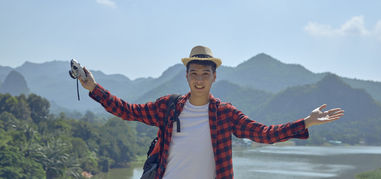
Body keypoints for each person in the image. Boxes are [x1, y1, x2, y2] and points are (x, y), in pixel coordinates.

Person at [79, 45, 344, 179]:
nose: (199, 79)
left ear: (214, 77)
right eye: (193, 73)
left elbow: (263, 133)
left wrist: (306, 122)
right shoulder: (168, 107)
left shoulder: (224, 114)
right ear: (186, 75)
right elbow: (127, 111)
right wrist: (94, 88)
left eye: (205, 74)